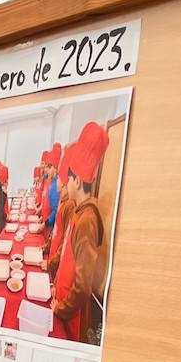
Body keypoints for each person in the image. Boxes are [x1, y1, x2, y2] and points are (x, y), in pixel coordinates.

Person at [52, 122, 110, 342]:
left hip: (70, 315)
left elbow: (83, 285)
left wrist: (61, 309)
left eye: (68, 178)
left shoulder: (88, 221)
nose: (66, 183)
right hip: (62, 300)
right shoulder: (79, 212)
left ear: (77, 180)